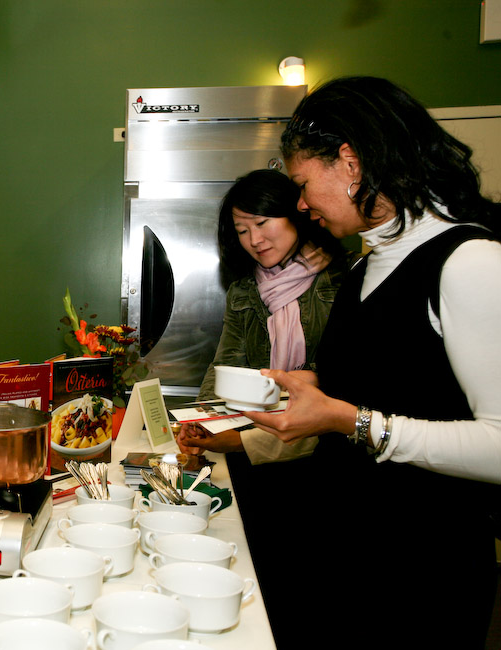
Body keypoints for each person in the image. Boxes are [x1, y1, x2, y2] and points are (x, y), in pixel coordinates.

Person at [244, 76, 501, 648]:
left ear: (351, 163)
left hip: (423, 575)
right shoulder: (365, 266)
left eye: (303, 185)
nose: (302, 204)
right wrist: (312, 385)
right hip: (351, 556)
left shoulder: (468, 262)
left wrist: (349, 420)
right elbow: (391, 378)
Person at [178, 168, 351, 464]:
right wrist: (200, 420)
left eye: (261, 223)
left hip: (328, 448)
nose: (255, 239)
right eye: (242, 231)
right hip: (255, 444)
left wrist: (307, 378)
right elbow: (225, 365)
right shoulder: (243, 291)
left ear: (295, 214)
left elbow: (347, 376)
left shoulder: (343, 279)